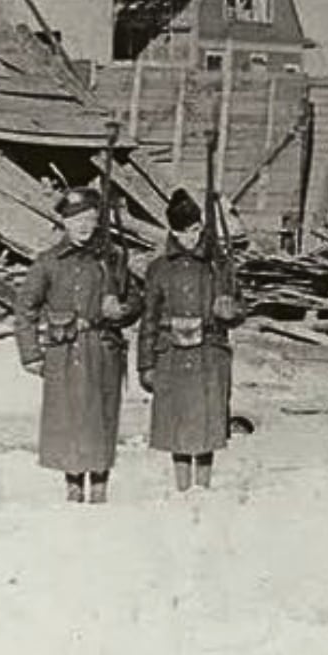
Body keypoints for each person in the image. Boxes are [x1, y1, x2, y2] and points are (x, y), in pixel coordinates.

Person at [16, 187, 142, 504]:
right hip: (65, 352)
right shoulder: (48, 263)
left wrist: (122, 310)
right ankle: (73, 486)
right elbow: (25, 309)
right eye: (77, 220)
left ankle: (99, 487)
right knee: (70, 419)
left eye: (90, 219)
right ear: (64, 223)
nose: (84, 226)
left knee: (101, 418)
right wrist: (31, 354)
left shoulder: (111, 259)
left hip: (103, 350)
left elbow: (136, 299)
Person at [138, 188, 244, 493]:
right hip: (171, 352)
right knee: (177, 420)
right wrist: (145, 364)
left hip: (209, 353)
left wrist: (230, 310)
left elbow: (240, 308)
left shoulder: (219, 266)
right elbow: (148, 318)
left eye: (196, 230)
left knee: (207, 421)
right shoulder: (159, 269)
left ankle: (204, 488)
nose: (191, 238)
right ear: (172, 231)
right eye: (184, 232)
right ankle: (182, 488)